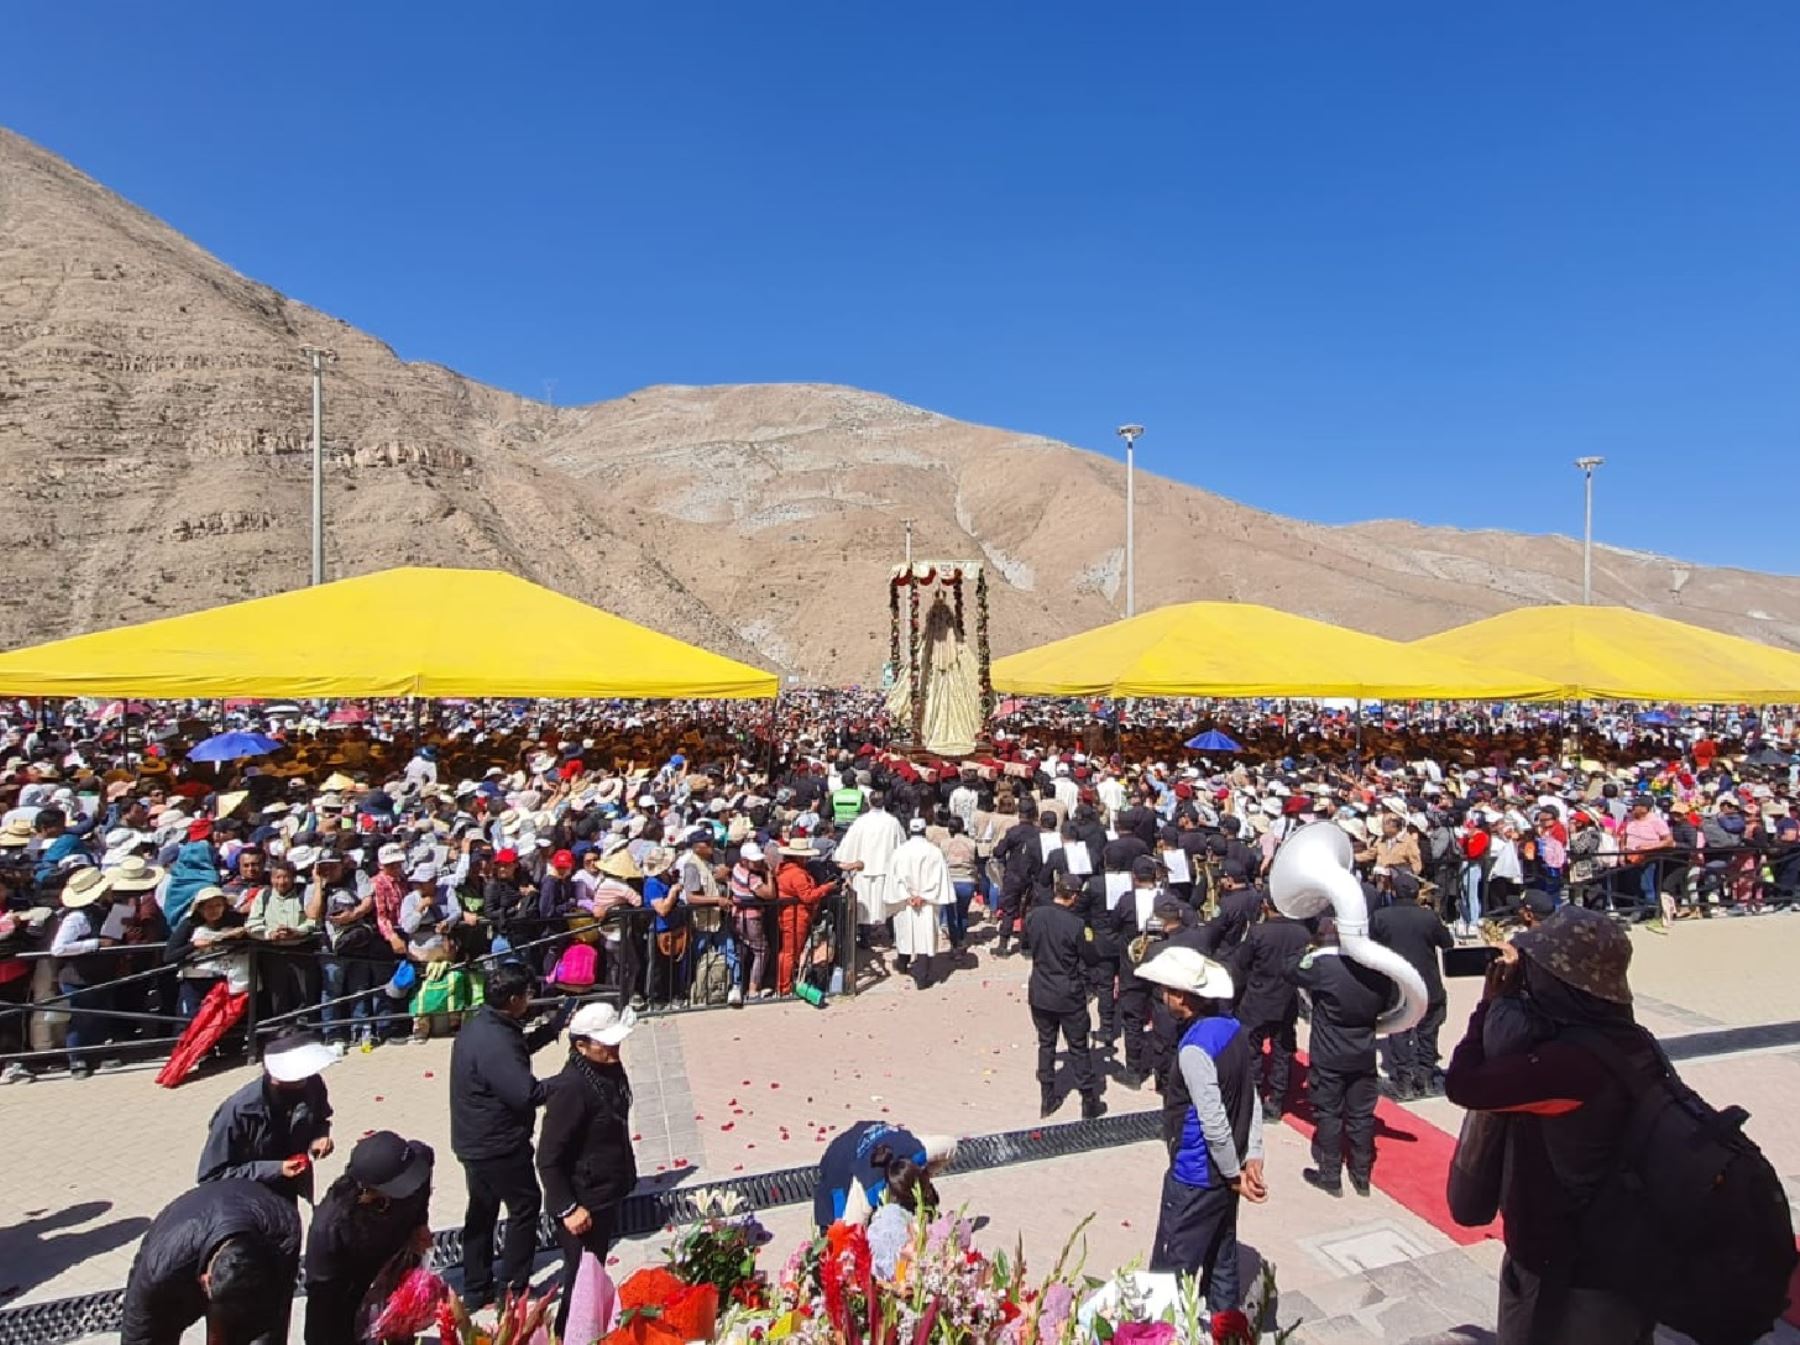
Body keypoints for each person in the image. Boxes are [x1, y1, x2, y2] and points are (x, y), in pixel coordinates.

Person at [1445, 907, 1654, 1344]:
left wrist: (1488, 1004)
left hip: (1565, 1267)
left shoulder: (1568, 1066)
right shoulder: (1630, 1040)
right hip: (1628, 1250)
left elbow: (1465, 1084)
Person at [1137, 945, 1266, 1319]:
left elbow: (1213, 1123)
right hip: (1229, 1172)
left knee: (1172, 1268)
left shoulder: (1195, 1049)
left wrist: (1232, 1173)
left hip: (1196, 1176)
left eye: (1168, 991)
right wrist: (1252, 1155)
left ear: (1182, 996)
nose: (1163, 997)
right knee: (1222, 1260)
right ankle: (1226, 1329)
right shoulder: (1233, 1028)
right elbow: (1250, 1094)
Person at [449, 960, 565, 1309]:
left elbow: (514, 1054)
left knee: (481, 1210)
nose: (530, 1000)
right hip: (496, 1144)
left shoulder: (485, 1023)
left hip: (473, 1140)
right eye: (527, 994)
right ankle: (513, 1286)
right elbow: (524, 1092)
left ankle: (475, 1287)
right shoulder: (495, 1039)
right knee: (524, 1205)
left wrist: (553, 1027)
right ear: (513, 999)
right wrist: (567, 1084)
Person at [537, 1002, 639, 1339]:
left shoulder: (608, 1069)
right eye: (605, 1044)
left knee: (592, 1272)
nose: (614, 1050)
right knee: (581, 1278)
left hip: (605, 1191)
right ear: (581, 1045)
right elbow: (548, 1157)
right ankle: (570, 1332)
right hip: (581, 1202)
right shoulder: (570, 1087)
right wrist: (568, 1207)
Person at [120, 1178, 302, 1345]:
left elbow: (270, 1325)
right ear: (205, 1280)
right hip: (180, 1237)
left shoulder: (283, 1232)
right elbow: (140, 1334)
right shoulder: (159, 1270)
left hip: (252, 1213)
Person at [303, 1131, 435, 1345]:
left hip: (396, 1268)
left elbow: (423, 1182)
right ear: (369, 1190)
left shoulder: (416, 1162)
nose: (413, 1185)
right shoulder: (331, 1226)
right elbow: (323, 1300)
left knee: (398, 1327)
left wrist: (420, 1224)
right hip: (349, 1286)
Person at [1291, 917, 1389, 1197]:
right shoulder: (1375, 969)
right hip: (1363, 1052)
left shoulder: (1323, 967)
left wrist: (1309, 950)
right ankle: (1361, 1176)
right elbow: (1389, 999)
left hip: (1329, 1055)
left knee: (1328, 1113)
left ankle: (1330, 1175)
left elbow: (1290, 970)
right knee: (1361, 1115)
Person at [197, 1032, 336, 1202]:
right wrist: (275, 1169)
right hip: (245, 1202)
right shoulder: (238, 1111)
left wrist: (320, 1136)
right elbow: (212, 1176)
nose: (303, 1081)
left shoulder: (312, 1084)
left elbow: (321, 1118)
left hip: (288, 1193)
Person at [1223, 894, 1311, 1121]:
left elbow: (1241, 964)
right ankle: (1278, 1098)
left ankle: (1253, 1095)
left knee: (1252, 1050)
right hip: (1286, 1000)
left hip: (1257, 1001)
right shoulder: (1301, 933)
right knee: (1282, 1051)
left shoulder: (1258, 932)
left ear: (1265, 906)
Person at [1024, 872, 1105, 1119]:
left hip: (1041, 989)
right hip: (1068, 993)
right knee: (1078, 1046)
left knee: (1046, 1043)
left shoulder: (1034, 916)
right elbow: (1091, 956)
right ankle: (1088, 1100)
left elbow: (1026, 947)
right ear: (1073, 897)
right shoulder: (1077, 925)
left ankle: (1047, 1097)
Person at [1370, 870, 1454, 1099]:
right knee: (1428, 1029)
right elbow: (1448, 943)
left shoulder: (1381, 917)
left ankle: (1403, 1081)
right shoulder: (1428, 917)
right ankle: (1425, 1078)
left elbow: (1371, 948)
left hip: (1398, 983)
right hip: (1428, 982)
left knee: (1399, 1030)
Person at [813, 1120, 957, 1230]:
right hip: (840, 1157)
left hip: (883, 1140)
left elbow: (952, 1144)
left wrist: (926, 1173)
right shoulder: (868, 1185)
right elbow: (852, 1229)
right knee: (837, 1226)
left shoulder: (919, 1152)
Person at [888, 816, 955, 989]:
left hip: (907, 901)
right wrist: (924, 896)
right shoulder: (934, 852)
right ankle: (922, 977)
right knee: (925, 936)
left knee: (905, 933)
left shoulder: (900, 852)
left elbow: (895, 878)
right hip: (927, 903)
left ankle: (902, 963)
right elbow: (939, 878)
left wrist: (907, 895)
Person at [834, 789, 906, 945]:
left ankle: (864, 938)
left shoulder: (861, 822)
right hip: (882, 870)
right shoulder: (892, 822)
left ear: (868, 802)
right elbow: (902, 845)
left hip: (865, 869)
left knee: (864, 905)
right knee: (887, 905)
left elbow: (848, 845)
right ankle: (892, 937)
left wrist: (845, 860)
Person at [774, 837, 836, 996]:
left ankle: (784, 984)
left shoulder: (784, 870)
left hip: (791, 914)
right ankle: (785, 987)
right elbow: (808, 896)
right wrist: (826, 888)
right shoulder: (797, 874)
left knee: (788, 952)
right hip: (795, 917)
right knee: (790, 952)